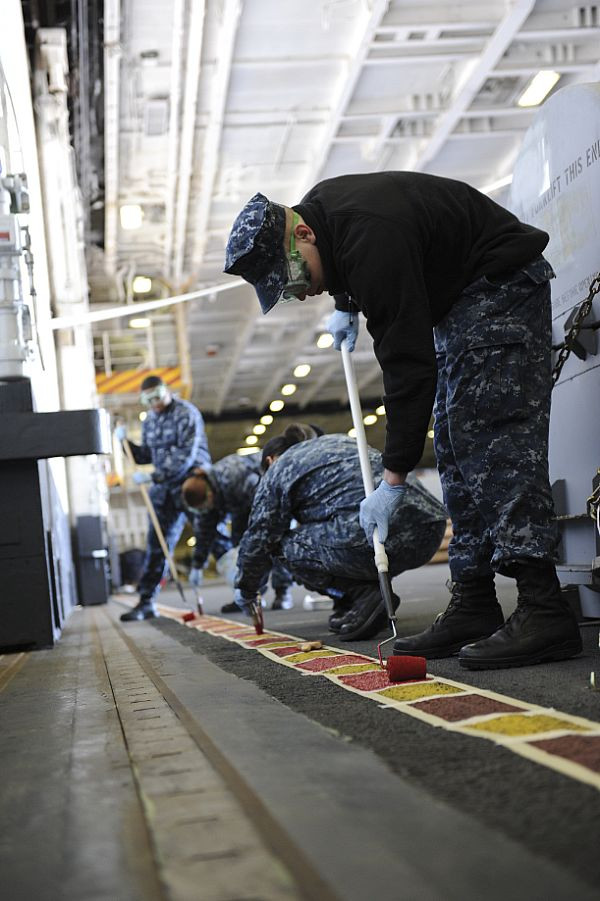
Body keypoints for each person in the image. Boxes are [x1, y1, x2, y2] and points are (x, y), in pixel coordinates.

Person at [223, 173, 583, 668]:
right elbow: (349, 258)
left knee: (494, 441)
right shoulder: (322, 213)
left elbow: (408, 366)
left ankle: (544, 607)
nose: (301, 292)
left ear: (301, 235)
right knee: (456, 447)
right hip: (463, 302)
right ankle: (474, 600)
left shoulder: (369, 237)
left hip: (499, 290)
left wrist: (393, 477)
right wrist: (346, 304)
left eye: (296, 278)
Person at [233, 424, 447, 641]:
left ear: (269, 460)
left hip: (376, 535)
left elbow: (259, 537)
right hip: (430, 530)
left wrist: (245, 590)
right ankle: (361, 603)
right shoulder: (340, 441)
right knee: (327, 528)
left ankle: (363, 595)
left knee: (282, 545)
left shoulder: (278, 470)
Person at [115, 374, 211, 621]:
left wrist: (154, 477)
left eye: (158, 396)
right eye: (148, 399)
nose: (155, 403)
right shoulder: (149, 421)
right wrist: (126, 443)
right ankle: (147, 601)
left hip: (192, 483)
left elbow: (185, 456)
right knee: (156, 544)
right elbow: (145, 456)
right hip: (164, 489)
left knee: (213, 534)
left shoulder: (186, 413)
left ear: (167, 391)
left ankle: (245, 593)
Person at [181, 453, 295, 612]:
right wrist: (198, 565)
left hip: (265, 498)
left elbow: (268, 504)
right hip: (240, 508)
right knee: (240, 548)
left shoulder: (234, 477)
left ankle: (282, 592)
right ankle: (248, 595)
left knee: (273, 541)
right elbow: (204, 532)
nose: (205, 511)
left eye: (205, 507)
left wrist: (262, 536)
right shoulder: (207, 493)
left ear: (210, 495)